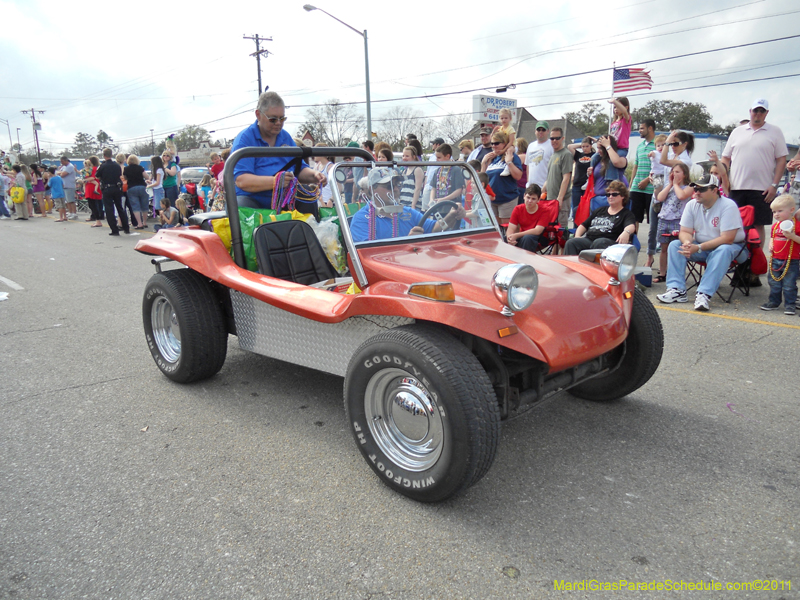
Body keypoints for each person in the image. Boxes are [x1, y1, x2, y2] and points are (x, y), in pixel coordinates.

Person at [657, 173, 746, 312]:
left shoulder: (728, 205)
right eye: (695, 188)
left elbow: (727, 238)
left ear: (715, 190)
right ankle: (677, 290)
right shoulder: (692, 205)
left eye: (701, 189)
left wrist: (698, 247)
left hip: (735, 249)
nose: (696, 192)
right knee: (675, 245)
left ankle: (704, 293)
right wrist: (687, 243)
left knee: (723, 250)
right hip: (703, 247)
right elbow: (684, 231)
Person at [232, 91, 325, 209]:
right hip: (251, 199)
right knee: (242, 207)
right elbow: (242, 181)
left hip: (284, 198)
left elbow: (299, 168)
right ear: (258, 115)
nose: (278, 123)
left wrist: (315, 175)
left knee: (307, 195)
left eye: (282, 118)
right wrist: (275, 182)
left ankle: (311, 227)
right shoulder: (244, 140)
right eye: (273, 119)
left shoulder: (285, 137)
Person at [721, 98, 788, 249]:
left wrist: (774, 185)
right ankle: (738, 261)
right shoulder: (737, 132)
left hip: (762, 189)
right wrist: (725, 181)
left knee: (757, 227)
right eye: (755, 110)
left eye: (761, 111)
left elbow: (781, 160)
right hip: (737, 187)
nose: (758, 114)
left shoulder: (775, 131)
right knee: (734, 226)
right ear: (750, 112)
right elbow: (725, 157)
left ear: (766, 113)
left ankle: (754, 266)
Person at [349, 167, 466, 242]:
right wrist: (407, 243)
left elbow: (434, 228)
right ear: (372, 189)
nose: (395, 189)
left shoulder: (406, 212)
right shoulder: (362, 219)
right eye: (389, 186)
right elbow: (369, 257)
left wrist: (452, 215)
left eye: (397, 185)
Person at [563, 180, 636, 255]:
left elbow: (631, 226)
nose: (610, 197)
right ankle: (571, 266)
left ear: (623, 196)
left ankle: (594, 266)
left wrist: (626, 233)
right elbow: (583, 225)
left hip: (609, 243)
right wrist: (577, 236)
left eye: (614, 194)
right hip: (590, 240)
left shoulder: (626, 213)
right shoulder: (600, 210)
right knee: (571, 242)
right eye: (608, 194)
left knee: (599, 242)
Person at [652, 163, 692, 283]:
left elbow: (681, 196)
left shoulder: (688, 187)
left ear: (684, 174)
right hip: (664, 219)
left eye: (677, 172)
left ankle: (676, 274)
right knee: (664, 248)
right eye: (673, 172)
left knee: (676, 248)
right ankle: (662, 273)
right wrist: (670, 184)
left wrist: (675, 184)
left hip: (678, 221)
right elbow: (659, 198)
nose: (674, 174)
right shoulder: (669, 187)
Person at [760, 194, 800, 315]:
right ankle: (774, 302)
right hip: (776, 259)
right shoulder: (776, 225)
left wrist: (792, 236)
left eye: (780, 211)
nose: (776, 214)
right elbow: (773, 236)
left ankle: (790, 304)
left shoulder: (796, 225)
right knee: (773, 282)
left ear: (792, 210)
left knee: (789, 284)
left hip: (791, 260)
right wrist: (771, 243)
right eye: (774, 211)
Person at [481, 132, 522, 225]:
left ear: (504, 143)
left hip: (507, 198)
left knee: (507, 228)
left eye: (497, 143)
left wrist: (509, 162)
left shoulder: (512, 156)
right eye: (492, 144)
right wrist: (483, 163)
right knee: (496, 229)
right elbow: (482, 179)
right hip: (492, 199)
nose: (494, 146)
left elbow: (518, 176)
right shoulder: (492, 158)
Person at [541, 127, 573, 229]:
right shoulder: (553, 155)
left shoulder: (566, 154)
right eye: (552, 138)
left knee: (560, 231)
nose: (554, 141)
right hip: (550, 199)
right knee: (550, 230)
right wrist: (544, 187)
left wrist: (560, 198)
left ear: (562, 138)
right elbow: (550, 175)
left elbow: (566, 178)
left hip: (560, 201)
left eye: (557, 138)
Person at [646, 134, 668, 267]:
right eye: (658, 145)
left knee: (663, 230)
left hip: (666, 190)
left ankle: (664, 261)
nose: (660, 148)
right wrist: (651, 154)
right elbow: (651, 154)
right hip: (658, 179)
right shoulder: (656, 153)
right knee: (652, 229)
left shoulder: (670, 156)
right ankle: (650, 256)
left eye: (663, 145)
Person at [506, 184, 550, 252]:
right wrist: (510, 238)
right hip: (522, 235)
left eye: (533, 199)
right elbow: (511, 228)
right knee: (503, 238)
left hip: (536, 237)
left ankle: (525, 261)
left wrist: (517, 235)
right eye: (528, 197)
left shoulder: (545, 210)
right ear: (524, 196)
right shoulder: (518, 209)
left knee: (527, 238)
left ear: (538, 200)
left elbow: (538, 231)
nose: (529, 201)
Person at [589, 135, 627, 211]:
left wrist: (608, 146)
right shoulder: (598, 160)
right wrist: (589, 173)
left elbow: (616, 162)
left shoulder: (621, 159)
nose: (598, 151)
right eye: (597, 148)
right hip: (597, 200)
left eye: (601, 148)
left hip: (613, 200)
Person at [629, 119, 656, 227]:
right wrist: (631, 183)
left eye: (642, 128)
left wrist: (647, 180)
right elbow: (636, 165)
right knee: (634, 217)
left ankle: (653, 243)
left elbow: (661, 167)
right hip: (636, 187)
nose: (639, 131)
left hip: (651, 188)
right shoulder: (640, 146)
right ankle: (632, 240)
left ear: (650, 128)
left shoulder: (658, 145)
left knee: (652, 218)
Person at [96, 147, 129, 236]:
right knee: (120, 208)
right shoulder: (116, 165)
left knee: (109, 209)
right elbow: (119, 174)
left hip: (107, 188)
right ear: (111, 155)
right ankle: (126, 228)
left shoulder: (103, 165)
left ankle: (114, 230)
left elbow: (97, 175)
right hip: (117, 188)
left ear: (104, 155)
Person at [567, 137, 594, 220]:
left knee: (587, 207)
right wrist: (580, 145)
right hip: (577, 185)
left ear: (590, 146)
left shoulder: (593, 156)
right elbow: (569, 146)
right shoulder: (579, 155)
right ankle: (576, 227)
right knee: (576, 208)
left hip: (588, 185)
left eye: (587, 146)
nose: (585, 148)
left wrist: (592, 144)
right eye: (583, 147)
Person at [525, 121, 553, 187]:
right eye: (538, 130)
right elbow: (528, 165)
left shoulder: (552, 145)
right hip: (531, 187)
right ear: (535, 131)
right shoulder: (530, 145)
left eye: (543, 130)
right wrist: (528, 182)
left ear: (548, 131)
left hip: (545, 186)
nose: (541, 132)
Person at [124, 155, 149, 229]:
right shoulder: (140, 168)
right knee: (144, 205)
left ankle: (139, 223)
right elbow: (146, 176)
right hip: (142, 187)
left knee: (135, 206)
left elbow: (125, 177)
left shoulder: (126, 169)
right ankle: (144, 222)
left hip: (131, 188)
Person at [421, 137, 445, 211]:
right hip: (428, 186)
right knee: (425, 209)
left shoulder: (445, 157)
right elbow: (428, 172)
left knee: (435, 210)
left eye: (433, 144)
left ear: (438, 145)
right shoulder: (432, 157)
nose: (432, 146)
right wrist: (425, 185)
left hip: (437, 187)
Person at [83, 156, 104, 227]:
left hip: (92, 187)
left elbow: (94, 177)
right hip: (90, 186)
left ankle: (98, 220)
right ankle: (96, 218)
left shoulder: (94, 169)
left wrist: (85, 180)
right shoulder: (92, 169)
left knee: (93, 204)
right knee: (92, 204)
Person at [314, 144, 335, 208]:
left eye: (315, 151)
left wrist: (331, 200)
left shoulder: (330, 167)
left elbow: (339, 187)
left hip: (328, 202)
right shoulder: (318, 166)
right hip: (319, 201)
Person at [57, 156, 78, 220]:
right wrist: (60, 172)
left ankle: (74, 213)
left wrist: (61, 173)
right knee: (67, 201)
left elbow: (63, 175)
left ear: (66, 160)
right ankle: (70, 212)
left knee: (71, 200)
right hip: (64, 185)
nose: (61, 163)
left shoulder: (70, 166)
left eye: (62, 161)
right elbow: (58, 172)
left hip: (70, 185)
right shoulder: (64, 167)